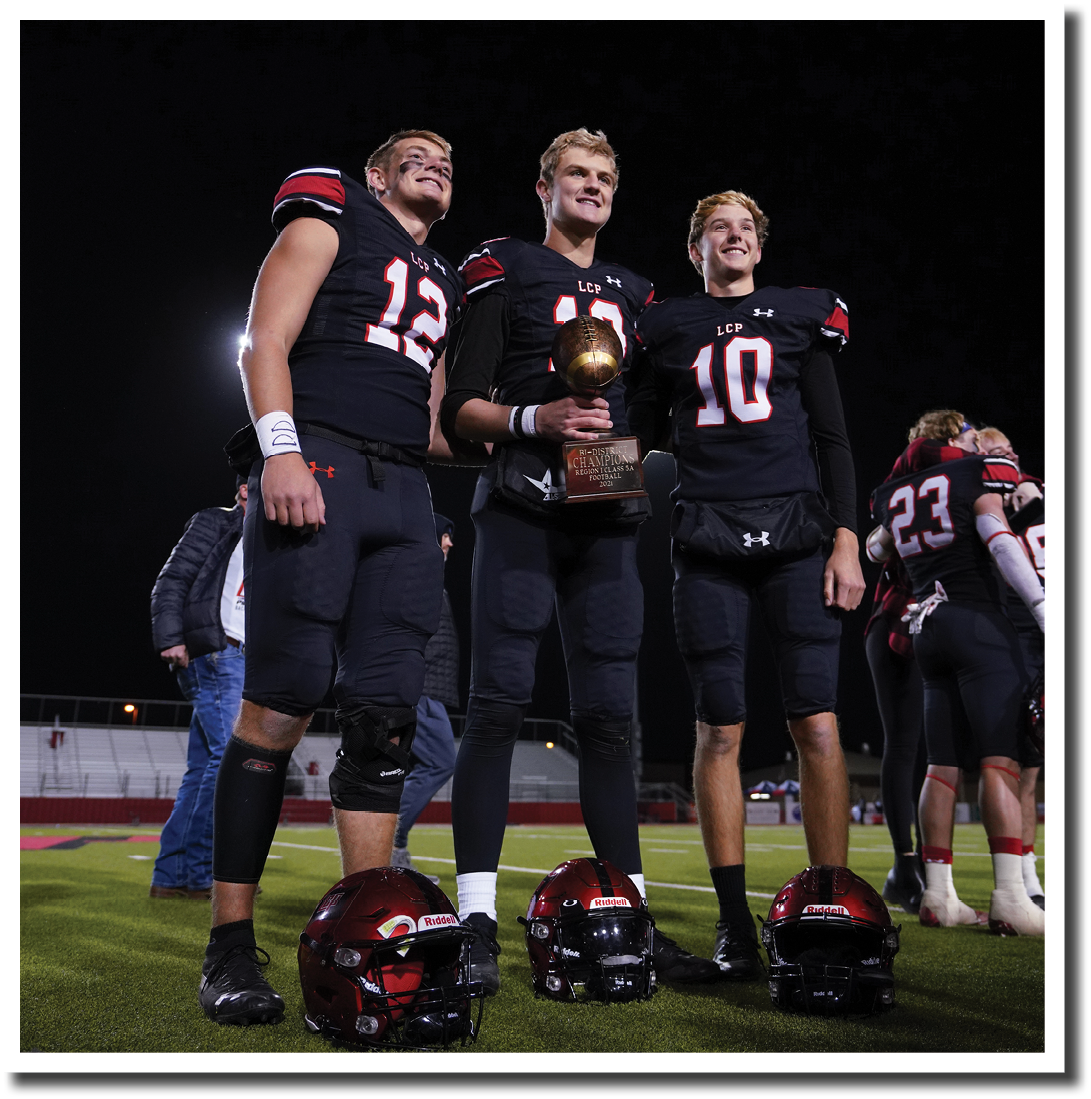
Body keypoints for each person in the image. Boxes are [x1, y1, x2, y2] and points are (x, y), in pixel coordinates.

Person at [440, 128, 718, 992]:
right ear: (544, 186)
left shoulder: (637, 293)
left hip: (605, 507)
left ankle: (631, 915)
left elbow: (654, 406)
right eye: (575, 174)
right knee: (495, 706)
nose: (591, 186)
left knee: (608, 719)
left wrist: (629, 445)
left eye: (604, 176)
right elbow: (459, 407)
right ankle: (476, 919)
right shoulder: (505, 264)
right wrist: (539, 419)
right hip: (521, 500)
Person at [200, 129, 461, 1025]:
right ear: (377, 173)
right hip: (321, 460)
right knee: (281, 702)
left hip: (405, 490)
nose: (438, 161)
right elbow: (263, 338)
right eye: (417, 152)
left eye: (448, 158)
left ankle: (371, 931)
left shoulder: (444, 276)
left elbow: (434, 425)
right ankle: (230, 945)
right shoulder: (334, 210)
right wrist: (279, 450)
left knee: (386, 720)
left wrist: (548, 430)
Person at [627, 190, 865, 980]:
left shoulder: (800, 313)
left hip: (797, 536)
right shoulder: (665, 325)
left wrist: (846, 538)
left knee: (817, 723)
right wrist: (588, 496)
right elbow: (639, 427)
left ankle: (828, 908)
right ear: (694, 248)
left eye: (745, 228)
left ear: (759, 247)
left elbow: (830, 436)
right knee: (718, 729)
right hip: (707, 539)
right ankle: (733, 922)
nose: (732, 236)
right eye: (716, 227)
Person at [867, 423, 1045, 935]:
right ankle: (1011, 896)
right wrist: (1043, 610)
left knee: (940, 766)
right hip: (977, 623)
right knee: (999, 761)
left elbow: (876, 550)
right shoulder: (972, 478)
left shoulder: (897, 493)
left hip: (927, 626)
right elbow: (1003, 545)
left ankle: (939, 896)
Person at [862, 410, 979, 915]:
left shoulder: (946, 485)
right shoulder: (934, 469)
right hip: (901, 621)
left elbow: (876, 543)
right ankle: (905, 865)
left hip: (936, 623)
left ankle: (932, 871)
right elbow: (876, 545)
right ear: (948, 437)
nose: (977, 443)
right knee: (907, 745)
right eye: (969, 435)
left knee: (944, 749)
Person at [149, 476, 248, 900]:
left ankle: (173, 875)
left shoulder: (271, 541)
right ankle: (198, 872)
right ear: (245, 489)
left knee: (205, 765)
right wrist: (170, 637)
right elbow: (172, 579)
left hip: (239, 656)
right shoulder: (216, 521)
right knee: (228, 760)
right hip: (218, 650)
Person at [977, 426, 1045, 908]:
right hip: (1018, 630)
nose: (1009, 459)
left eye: (1010, 451)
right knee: (1024, 763)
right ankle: (1026, 877)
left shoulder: (1039, 489)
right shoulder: (981, 502)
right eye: (996, 453)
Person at [392, 512, 460, 883]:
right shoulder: (418, 572)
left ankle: (392, 848)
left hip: (425, 686)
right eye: (443, 534)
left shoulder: (422, 574)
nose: (449, 542)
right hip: (422, 687)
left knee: (418, 765)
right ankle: (391, 838)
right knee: (440, 761)